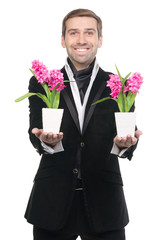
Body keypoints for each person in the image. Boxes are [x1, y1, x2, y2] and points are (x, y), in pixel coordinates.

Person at [25, 8, 142, 240]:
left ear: (99, 39)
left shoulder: (120, 85)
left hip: (104, 202)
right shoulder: (41, 83)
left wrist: (125, 145)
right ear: (63, 40)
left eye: (89, 33)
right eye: (73, 33)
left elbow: (128, 137)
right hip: (52, 201)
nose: (81, 40)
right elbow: (34, 131)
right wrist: (46, 142)